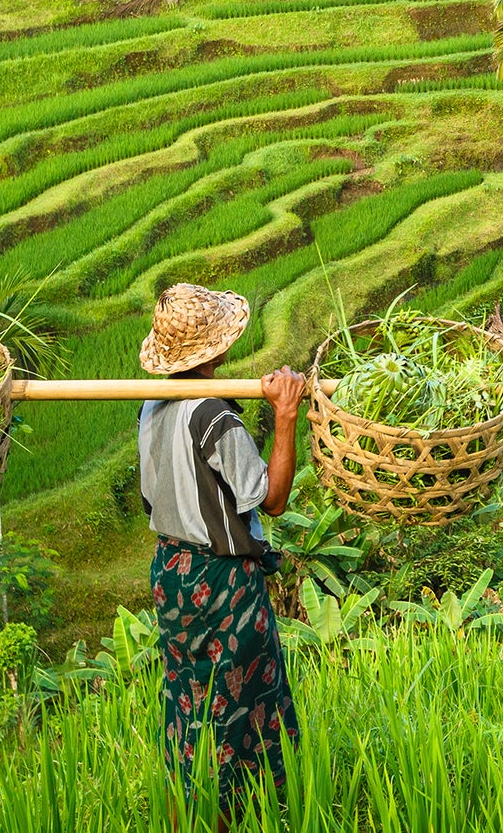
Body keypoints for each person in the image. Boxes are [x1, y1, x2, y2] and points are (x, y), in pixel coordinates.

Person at [136, 283, 307, 812]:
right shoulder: (214, 418)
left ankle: (187, 808)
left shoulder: (150, 404)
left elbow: (150, 494)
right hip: (221, 582)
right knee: (241, 704)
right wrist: (285, 415)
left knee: (188, 696)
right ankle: (241, 814)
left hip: (171, 570)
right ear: (216, 351)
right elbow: (271, 499)